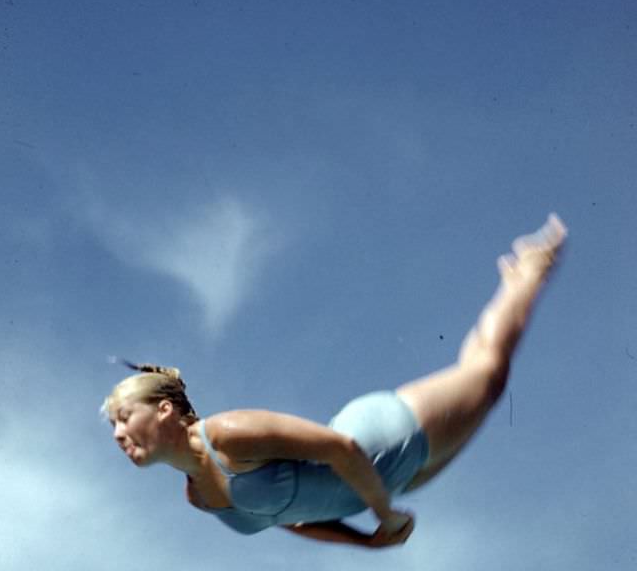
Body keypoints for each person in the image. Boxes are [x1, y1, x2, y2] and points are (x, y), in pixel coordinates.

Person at [102, 214, 566, 548]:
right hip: (383, 487)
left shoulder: (227, 434)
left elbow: (339, 449)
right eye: (113, 428)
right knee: (485, 381)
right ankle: (519, 280)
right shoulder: (198, 497)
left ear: (164, 409)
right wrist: (367, 540)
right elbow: (289, 519)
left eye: (124, 418)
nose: (119, 434)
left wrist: (383, 515)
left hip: (384, 440)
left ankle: (525, 272)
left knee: (486, 377)